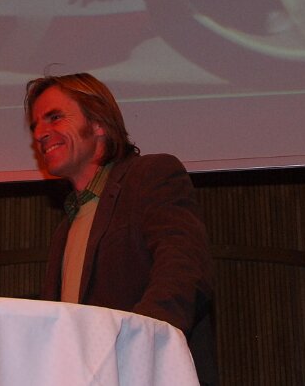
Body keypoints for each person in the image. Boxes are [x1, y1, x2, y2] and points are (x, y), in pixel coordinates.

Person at [25, 72, 217, 384]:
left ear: (98, 124)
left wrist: (135, 348)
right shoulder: (65, 229)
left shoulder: (150, 176)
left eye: (54, 117)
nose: (40, 134)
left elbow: (184, 271)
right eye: (35, 126)